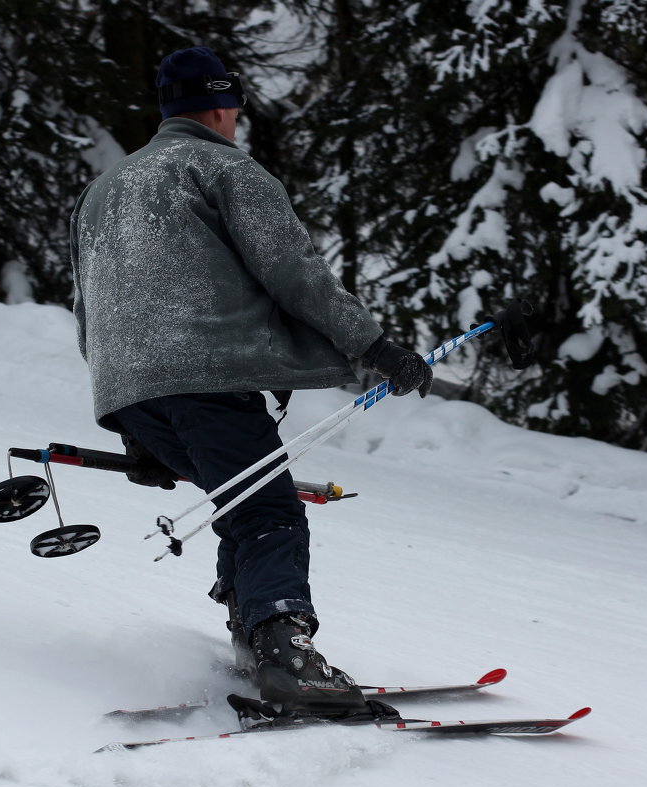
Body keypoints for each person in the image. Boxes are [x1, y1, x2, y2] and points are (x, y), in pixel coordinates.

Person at [69, 45, 433, 717]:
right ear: (221, 105)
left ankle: (251, 632)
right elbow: (294, 270)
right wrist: (373, 344)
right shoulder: (222, 167)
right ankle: (284, 651)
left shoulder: (105, 190)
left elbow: (92, 305)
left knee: (244, 503)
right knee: (268, 511)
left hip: (131, 387)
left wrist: (133, 427)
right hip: (207, 374)